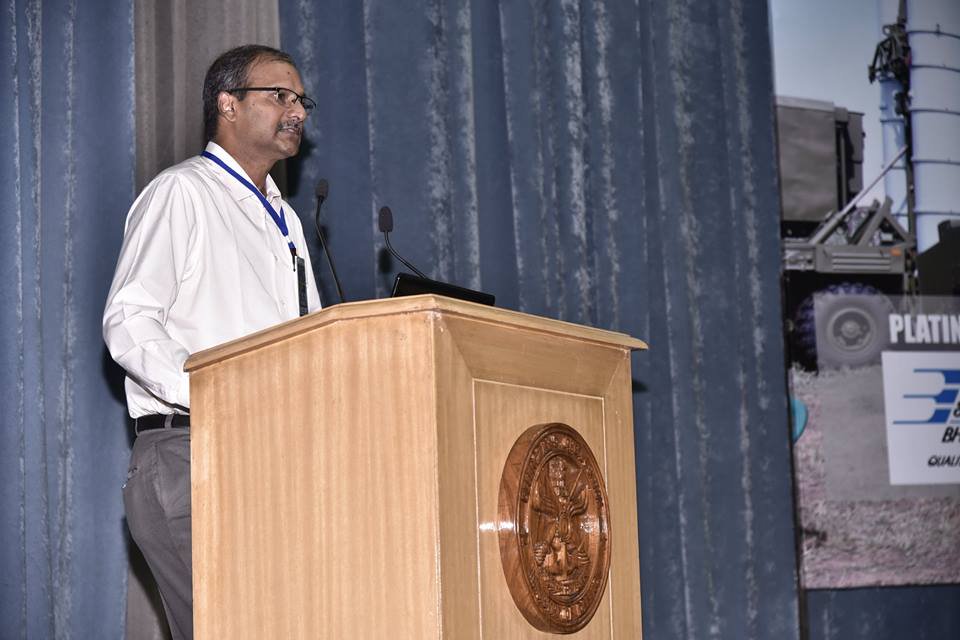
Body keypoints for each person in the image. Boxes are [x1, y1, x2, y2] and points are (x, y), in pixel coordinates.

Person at [103, 44, 321, 640]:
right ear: (228, 104)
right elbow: (129, 320)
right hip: (190, 449)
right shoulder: (182, 192)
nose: (297, 111)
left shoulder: (287, 219)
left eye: (302, 100)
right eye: (280, 96)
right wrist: (214, 393)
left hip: (274, 455)